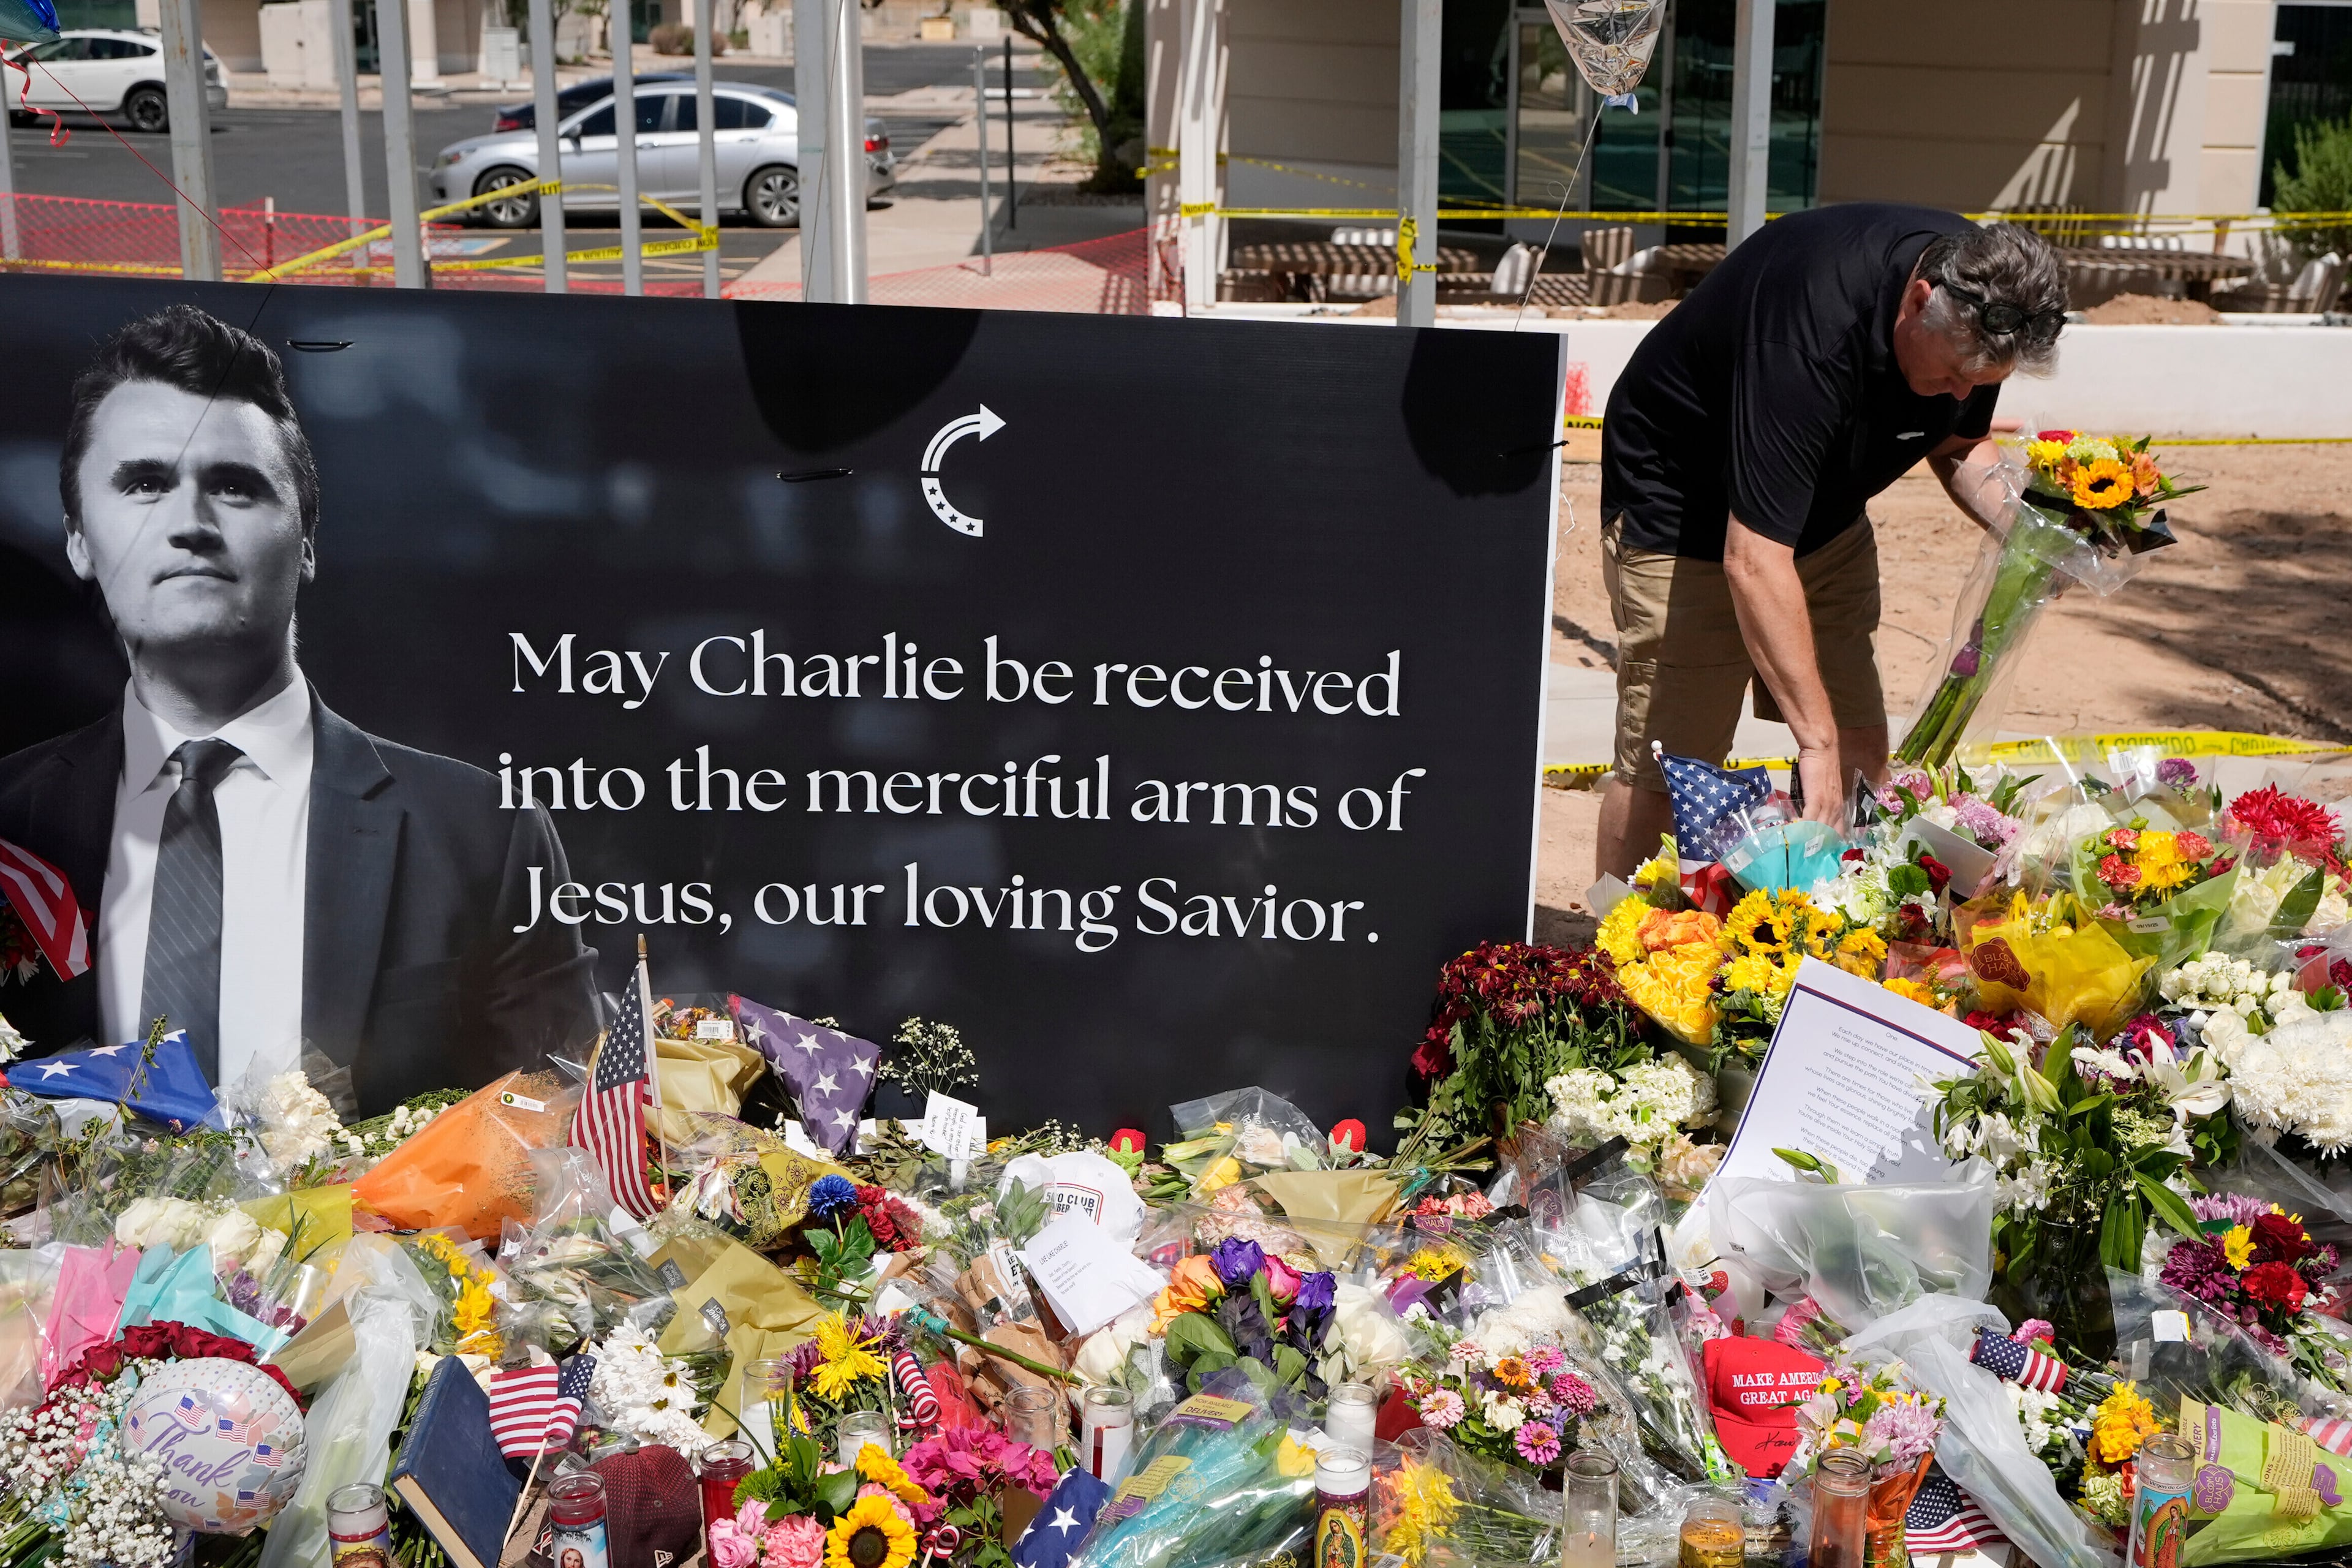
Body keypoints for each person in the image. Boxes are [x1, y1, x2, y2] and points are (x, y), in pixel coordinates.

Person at [0, 304, 600, 1112]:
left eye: (235, 486)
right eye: (145, 483)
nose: (190, 524)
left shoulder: (484, 833)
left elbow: (571, 1151)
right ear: (78, 537)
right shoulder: (11, 821)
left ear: (308, 538)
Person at [1592, 205, 2068, 880]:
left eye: (1980, 384)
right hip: (1685, 511)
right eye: (1952, 375)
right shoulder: (1807, 335)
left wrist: (2033, 531)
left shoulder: (1983, 290)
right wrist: (1812, 742)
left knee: (1862, 754)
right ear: (1917, 299)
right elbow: (1754, 558)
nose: (1959, 394)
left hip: (1824, 514)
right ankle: (1617, 959)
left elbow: (1961, 444)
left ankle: (1840, 932)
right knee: (1671, 762)